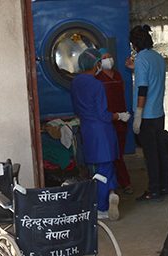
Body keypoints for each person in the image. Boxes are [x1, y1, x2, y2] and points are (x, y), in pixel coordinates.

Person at [70, 48, 131, 220]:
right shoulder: (97, 85)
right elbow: (103, 114)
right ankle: (102, 207)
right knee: (105, 169)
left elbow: (77, 109)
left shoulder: (75, 82)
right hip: (102, 132)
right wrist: (119, 116)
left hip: (87, 130)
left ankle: (110, 193)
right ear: (96, 64)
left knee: (98, 169)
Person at [126, 24, 168, 201]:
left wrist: (138, 114)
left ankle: (153, 190)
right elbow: (152, 76)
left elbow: (143, 88)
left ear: (135, 44)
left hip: (147, 116)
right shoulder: (157, 57)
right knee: (161, 152)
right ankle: (164, 186)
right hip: (158, 113)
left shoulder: (141, 59)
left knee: (150, 154)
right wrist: (135, 68)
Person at [96, 48, 132, 194]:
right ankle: (119, 184)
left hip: (122, 119)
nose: (108, 60)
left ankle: (121, 183)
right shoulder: (98, 79)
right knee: (111, 154)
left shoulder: (117, 75)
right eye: (105, 57)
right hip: (108, 120)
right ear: (99, 62)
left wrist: (123, 115)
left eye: (109, 56)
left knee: (119, 153)